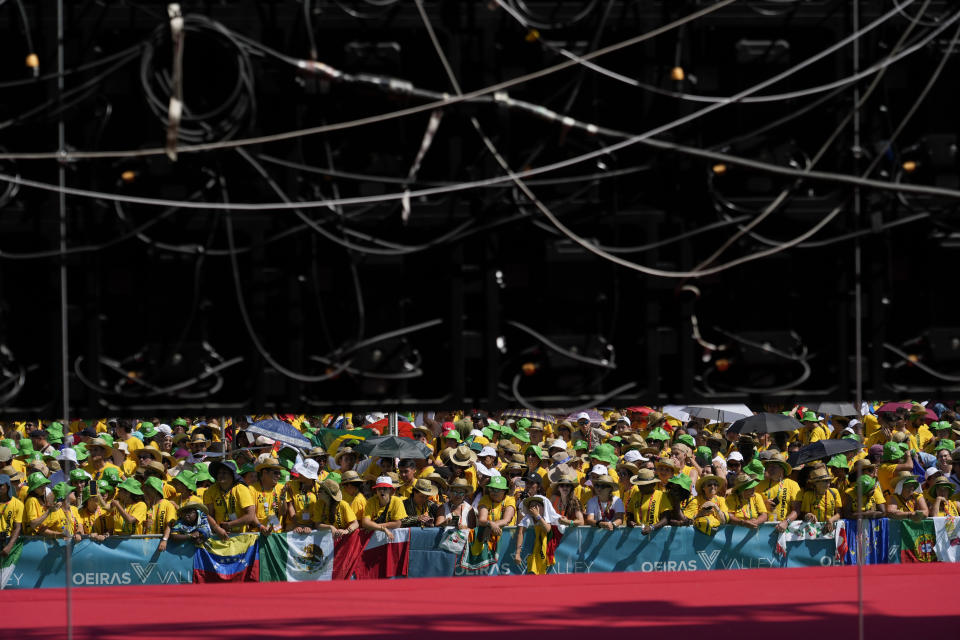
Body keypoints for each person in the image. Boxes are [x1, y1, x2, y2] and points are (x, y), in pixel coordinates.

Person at [204, 460, 256, 534]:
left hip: (240, 535)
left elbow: (250, 515)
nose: (221, 475)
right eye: (219, 473)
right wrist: (217, 528)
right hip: (219, 535)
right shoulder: (211, 490)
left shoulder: (241, 489)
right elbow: (209, 514)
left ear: (233, 475)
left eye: (224, 473)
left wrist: (229, 525)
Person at [361, 475, 408, 539]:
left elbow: (398, 524)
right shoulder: (370, 501)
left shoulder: (397, 501)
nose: (382, 491)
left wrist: (374, 526)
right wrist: (383, 529)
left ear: (391, 490)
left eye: (385, 488)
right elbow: (365, 523)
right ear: (376, 491)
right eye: (379, 488)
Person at [796, 467, 842, 532]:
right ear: (816, 483)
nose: (828, 483)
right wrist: (809, 515)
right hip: (813, 531)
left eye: (829, 480)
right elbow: (804, 514)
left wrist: (831, 520)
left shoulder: (834, 492)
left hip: (830, 530)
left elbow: (839, 513)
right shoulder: (808, 495)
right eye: (825, 481)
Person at [757, 457, 800, 525]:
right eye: (769, 466)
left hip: (783, 526)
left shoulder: (792, 485)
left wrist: (786, 522)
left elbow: (796, 509)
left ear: (782, 469)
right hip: (763, 526)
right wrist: (764, 504)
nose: (770, 469)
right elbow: (751, 505)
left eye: (773, 466)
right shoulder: (759, 484)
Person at [250, 457, 285, 533]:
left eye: (279, 473)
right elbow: (250, 514)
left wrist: (282, 498)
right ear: (265, 472)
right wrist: (260, 526)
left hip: (276, 535)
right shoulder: (252, 489)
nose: (278, 476)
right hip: (258, 534)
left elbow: (282, 512)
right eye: (276, 473)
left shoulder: (281, 488)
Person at [142, 476, 177, 550]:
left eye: (148, 488)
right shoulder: (146, 505)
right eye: (145, 488)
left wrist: (164, 540)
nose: (145, 490)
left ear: (155, 490)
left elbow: (170, 524)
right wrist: (144, 524)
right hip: (146, 545)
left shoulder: (167, 504)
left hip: (161, 544)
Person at [626, 469, 665, 533]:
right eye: (639, 484)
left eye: (643, 485)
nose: (639, 487)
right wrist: (629, 521)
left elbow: (666, 518)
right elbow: (630, 513)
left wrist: (652, 527)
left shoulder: (661, 495)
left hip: (656, 534)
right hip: (637, 533)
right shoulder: (635, 495)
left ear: (653, 484)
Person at [0, 473, 23, 557]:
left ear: (8, 486)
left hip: (6, 541)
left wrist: (9, 546)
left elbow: (17, 527)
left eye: (1, 485)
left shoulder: (18, 504)